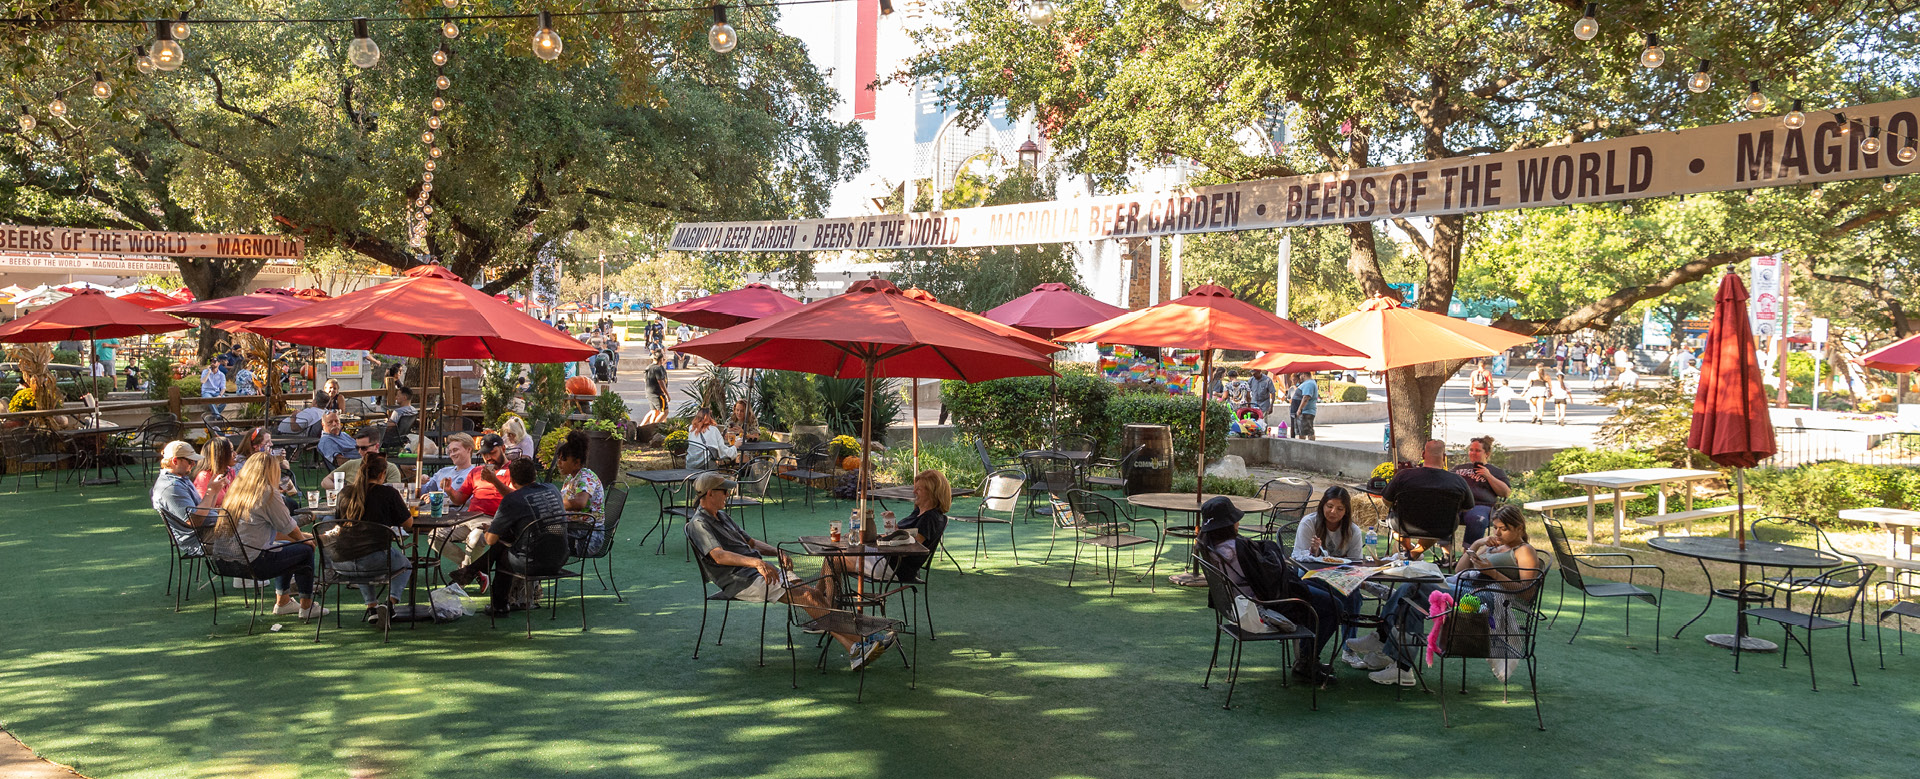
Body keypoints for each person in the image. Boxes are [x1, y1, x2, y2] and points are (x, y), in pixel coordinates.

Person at [685, 472, 899, 670]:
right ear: (710, 493)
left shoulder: (722, 516)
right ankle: (862, 642)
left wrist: (775, 554)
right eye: (724, 491)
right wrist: (757, 563)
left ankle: (855, 648)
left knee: (813, 595)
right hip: (740, 580)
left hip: (758, 573)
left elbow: (751, 542)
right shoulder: (699, 523)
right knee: (807, 596)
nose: (728, 494)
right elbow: (718, 556)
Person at [1357, 505, 1541, 686]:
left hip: (1486, 598)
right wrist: (1477, 544)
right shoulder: (1493, 546)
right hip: (1464, 585)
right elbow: (1460, 570)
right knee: (1412, 594)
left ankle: (1382, 639)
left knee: (1416, 586)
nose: (1498, 534)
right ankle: (1401, 667)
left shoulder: (1524, 550)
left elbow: (1526, 593)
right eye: (1496, 528)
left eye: (1504, 529)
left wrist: (1492, 573)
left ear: (1519, 528)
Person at [1196, 496, 1342, 684]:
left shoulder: (1210, 546)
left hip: (1237, 604)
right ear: (1229, 524)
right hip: (1262, 605)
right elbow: (1268, 576)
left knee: (1317, 588)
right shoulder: (1234, 549)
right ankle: (1306, 662)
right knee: (1334, 605)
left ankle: (1306, 658)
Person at [447, 457, 567, 615]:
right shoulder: (552, 489)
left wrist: (490, 530)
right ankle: (471, 571)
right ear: (534, 474)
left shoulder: (512, 499)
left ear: (512, 479)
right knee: (505, 544)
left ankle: (498, 605)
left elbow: (490, 540)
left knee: (502, 550)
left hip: (533, 563)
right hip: (561, 557)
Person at [215, 453, 328, 620]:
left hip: (223, 561)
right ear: (271, 471)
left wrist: (301, 536)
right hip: (252, 562)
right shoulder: (267, 492)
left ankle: (283, 602)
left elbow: (271, 530)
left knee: (287, 546)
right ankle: (307, 606)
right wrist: (306, 539)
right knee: (305, 550)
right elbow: (288, 526)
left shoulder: (236, 491)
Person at [822, 470, 950, 601]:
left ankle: (828, 604)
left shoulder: (930, 518)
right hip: (887, 558)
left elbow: (911, 548)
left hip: (894, 567)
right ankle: (825, 599)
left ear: (932, 492)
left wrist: (883, 542)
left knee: (833, 560)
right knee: (833, 554)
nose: (914, 492)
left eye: (919, 489)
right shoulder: (919, 512)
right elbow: (901, 537)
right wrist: (888, 531)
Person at [319, 451, 413, 625]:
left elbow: (338, 521)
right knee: (406, 565)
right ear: (382, 474)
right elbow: (408, 523)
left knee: (358, 549)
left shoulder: (345, 493)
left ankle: (371, 607)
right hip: (374, 560)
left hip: (341, 562)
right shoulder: (388, 493)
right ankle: (390, 604)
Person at [1291, 486, 1369, 650]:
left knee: (1353, 594)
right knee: (1344, 598)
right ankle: (1309, 653)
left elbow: (1356, 562)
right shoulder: (1309, 523)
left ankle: (1349, 649)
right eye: (1330, 506)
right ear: (1322, 505)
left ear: (1346, 511)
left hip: (1338, 577)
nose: (1333, 512)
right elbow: (1297, 557)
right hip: (1310, 577)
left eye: (1340, 509)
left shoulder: (1352, 530)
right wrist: (1313, 551)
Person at [1381, 439, 1474, 553]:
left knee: (1395, 528)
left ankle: (1410, 551)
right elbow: (1468, 506)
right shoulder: (1458, 481)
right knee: (1438, 525)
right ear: (1444, 457)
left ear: (1423, 454)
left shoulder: (1403, 476)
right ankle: (1414, 553)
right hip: (1443, 527)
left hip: (1403, 525)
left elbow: (1386, 500)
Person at [153, 441, 219, 555]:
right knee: (250, 537)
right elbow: (194, 522)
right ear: (175, 461)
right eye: (190, 461)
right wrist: (210, 492)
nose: (193, 464)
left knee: (252, 530)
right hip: (200, 539)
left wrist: (214, 492)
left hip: (209, 531)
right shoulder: (171, 487)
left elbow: (207, 511)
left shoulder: (181, 478)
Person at [1450, 435, 1511, 546]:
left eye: (1477, 450)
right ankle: (1447, 555)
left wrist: (1488, 476)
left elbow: (1506, 492)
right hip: (1457, 504)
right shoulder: (1459, 468)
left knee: (1477, 519)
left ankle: (1468, 555)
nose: (1473, 453)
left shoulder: (1495, 471)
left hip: (1479, 505)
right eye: (1471, 450)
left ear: (1486, 454)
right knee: (1443, 513)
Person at [322, 431, 405, 490]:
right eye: (357, 448)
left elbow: (393, 492)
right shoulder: (351, 464)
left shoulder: (390, 468)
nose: (360, 452)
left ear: (376, 446)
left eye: (364, 448)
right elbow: (325, 481)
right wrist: (343, 490)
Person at [193, 436, 238, 508]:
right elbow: (204, 508)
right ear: (221, 454)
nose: (235, 454)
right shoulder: (204, 476)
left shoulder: (230, 471)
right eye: (231, 451)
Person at [1292, 372, 1320, 440]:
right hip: (1304, 412)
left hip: (1306, 412)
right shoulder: (1308, 383)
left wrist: (1300, 409)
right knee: (1302, 432)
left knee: (1308, 432)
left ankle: (1310, 446)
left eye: (1300, 375)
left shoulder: (1309, 383)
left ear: (1304, 375)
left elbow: (1306, 398)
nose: (1299, 377)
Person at [644, 355, 670, 424]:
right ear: (661, 359)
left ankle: (644, 427)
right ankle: (654, 427)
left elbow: (645, 380)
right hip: (658, 393)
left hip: (649, 392)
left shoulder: (649, 367)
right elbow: (661, 382)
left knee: (654, 411)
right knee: (664, 411)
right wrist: (666, 394)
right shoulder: (657, 369)